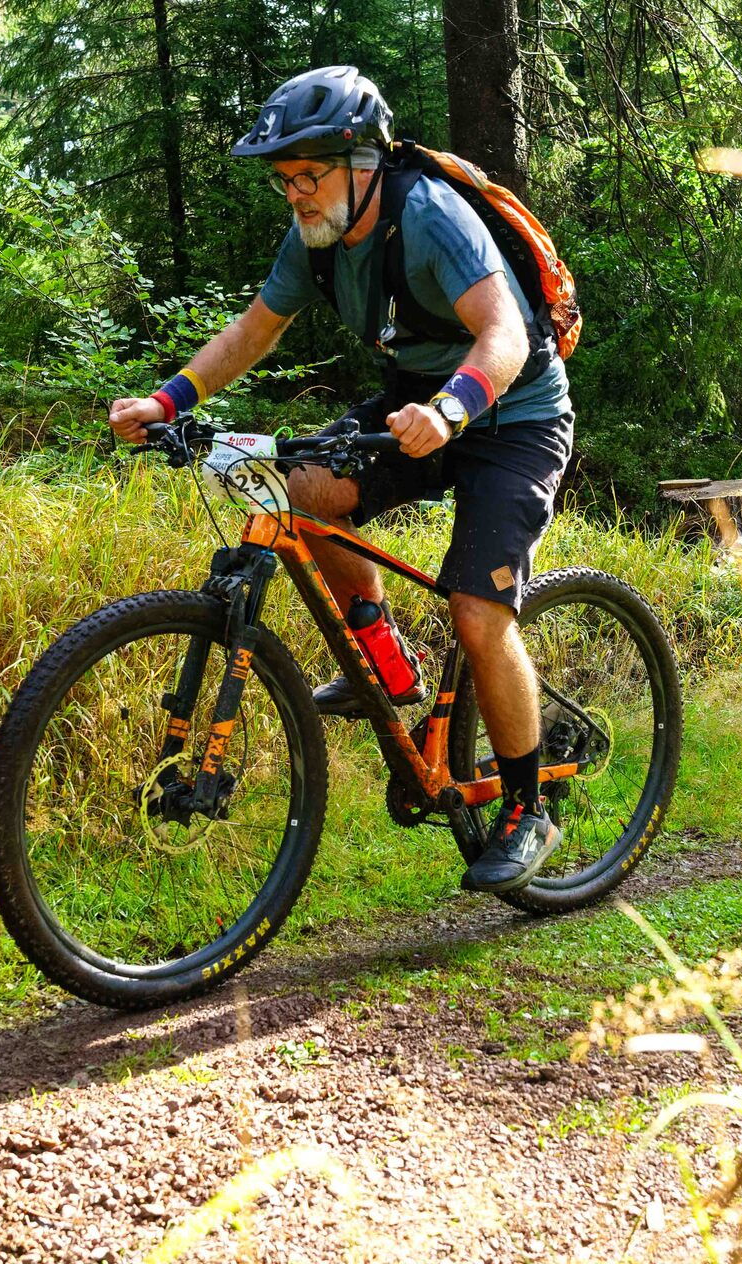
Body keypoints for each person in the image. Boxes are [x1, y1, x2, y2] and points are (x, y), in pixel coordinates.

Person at [107, 66, 572, 894]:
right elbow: (255, 329)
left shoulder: (429, 217)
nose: (295, 194)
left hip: (513, 413)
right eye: (284, 179)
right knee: (295, 489)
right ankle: (385, 659)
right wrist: (167, 400)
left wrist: (452, 411)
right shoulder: (316, 234)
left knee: (477, 611)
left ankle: (528, 808)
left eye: (309, 175)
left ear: (364, 163)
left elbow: (503, 332)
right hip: (416, 400)